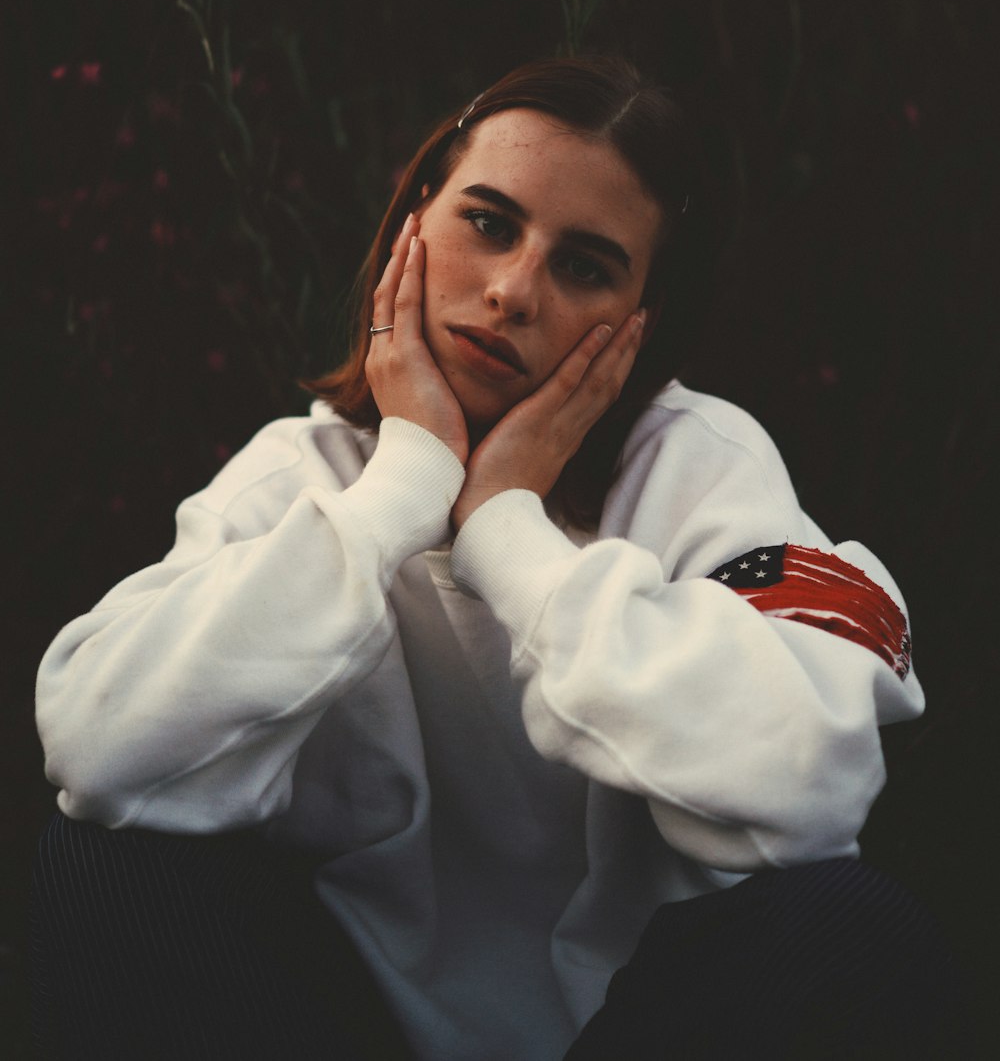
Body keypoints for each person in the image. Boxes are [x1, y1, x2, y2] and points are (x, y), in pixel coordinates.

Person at [32, 57, 955, 1060]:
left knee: (853, 924)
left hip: (637, 1029)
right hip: (342, 1024)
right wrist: (404, 484)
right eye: (489, 222)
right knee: (108, 862)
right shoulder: (303, 471)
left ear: (642, 324)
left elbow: (810, 782)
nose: (514, 290)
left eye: (585, 266)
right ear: (413, 223)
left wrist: (507, 530)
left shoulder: (706, 471)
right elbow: (98, 744)